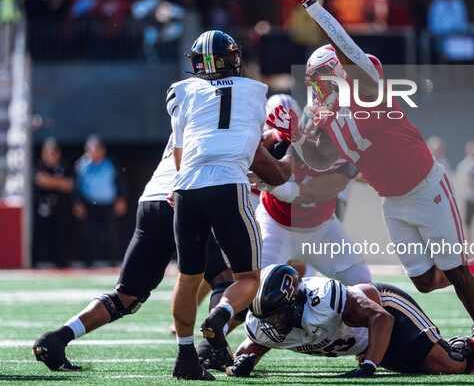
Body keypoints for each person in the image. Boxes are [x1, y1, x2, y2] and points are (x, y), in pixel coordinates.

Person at [274, 0, 474, 374]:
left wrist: (309, 3)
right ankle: (473, 274)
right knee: (426, 282)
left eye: (322, 81)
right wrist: (295, 137)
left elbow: (344, 44)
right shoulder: (331, 122)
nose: (317, 90)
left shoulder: (367, 90)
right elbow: (319, 160)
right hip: (392, 201)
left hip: (426, 187)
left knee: (453, 270)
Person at [32, 133, 292, 373]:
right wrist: (287, 144)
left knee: (125, 296)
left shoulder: (190, 110)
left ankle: (58, 338)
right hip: (187, 196)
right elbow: (265, 160)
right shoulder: (231, 112)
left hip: (151, 200)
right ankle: (204, 350)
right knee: (223, 280)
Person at [165, 30, 279, 380]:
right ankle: (219, 315)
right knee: (248, 277)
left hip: (187, 186)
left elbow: (181, 155)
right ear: (234, 59)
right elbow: (251, 147)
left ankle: (186, 359)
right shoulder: (257, 92)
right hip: (228, 183)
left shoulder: (181, 92)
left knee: (188, 277)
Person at [227, 265, 474, 377]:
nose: (274, 324)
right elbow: (249, 350)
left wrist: (369, 366)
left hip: (386, 313)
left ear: (294, 302)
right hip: (368, 342)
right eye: (267, 317)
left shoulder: (321, 298)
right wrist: (239, 365)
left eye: (279, 314)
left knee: (449, 366)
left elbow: (380, 318)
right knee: (428, 368)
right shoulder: (267, 324)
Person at [252, 143, 372, 285]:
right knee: (258, 287)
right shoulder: (287, 130)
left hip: (321, 228)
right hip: (275, 223)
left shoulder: (353, 143)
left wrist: (271, 185)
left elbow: (313, 192)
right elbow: (258, 143)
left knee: (362, 282)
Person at [72, 135, 128, 267]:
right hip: (89, 204)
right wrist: (77, 202)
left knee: (110, 234)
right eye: (92, 148)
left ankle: (112, 262)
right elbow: (75, 186)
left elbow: (120, 182)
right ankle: (88, 263)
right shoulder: (81, 165)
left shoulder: (110, 163)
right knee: (89, 234)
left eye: (98, 148)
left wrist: (121, 199)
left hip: (108, 203)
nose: (95, 151)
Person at [32, 138, 74, 268]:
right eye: (48, 152)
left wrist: (51, 181)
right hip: (42, 205)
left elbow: (69, 185)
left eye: (54, 152)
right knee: (41, 234)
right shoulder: (39, 165)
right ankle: (38, 261)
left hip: (60, 206)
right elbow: (40, 180)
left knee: (61, 234)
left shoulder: (64, 165)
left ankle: (60, 262)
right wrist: (58, 182)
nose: (51, 155)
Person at [0, 0, 25, 69]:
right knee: (4, 41)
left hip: (12, 18)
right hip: (5, 17)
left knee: (9, 42)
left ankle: (8, 63)